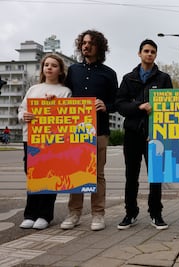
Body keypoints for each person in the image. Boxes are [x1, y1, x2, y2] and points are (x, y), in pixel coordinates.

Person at [60, 30, 118, 231]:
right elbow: (64, 95)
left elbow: (117, 102)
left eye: (91, 43)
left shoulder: (109, 73)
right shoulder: (72, 71)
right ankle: (74, 213)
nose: (86, 46)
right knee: (76, 172)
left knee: (97, 174)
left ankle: (98, 215)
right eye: (83, 43)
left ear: (99, 47)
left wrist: (106, 105)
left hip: (99, 130)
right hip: (75, 132)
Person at [116, 39, 172, 230]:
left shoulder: (163, 78)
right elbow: (120, 105)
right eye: (146, 51)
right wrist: (138, 106)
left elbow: (169, 106)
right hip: (132, 134)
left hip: (154, 135)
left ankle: (156, 213)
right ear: (139, 53)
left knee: (156, 176)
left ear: (156, 55)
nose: (149, 54)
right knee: (131, 176)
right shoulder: (128, 78)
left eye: (153, 52)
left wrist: (156, 129)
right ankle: (130, 213)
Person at [18, 54, 72, 229]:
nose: (49, 68)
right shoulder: (33, 89)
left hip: (53, 140)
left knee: (50, 175)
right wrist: (23, 116)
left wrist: (53, 105)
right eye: (46, 65)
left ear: (60, 70)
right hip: (31, 138)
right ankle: (30, 214)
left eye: (54, 65)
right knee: (32, 174)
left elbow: (67, 116)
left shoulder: (64, 91)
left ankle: (45, 215)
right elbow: (22, 109)